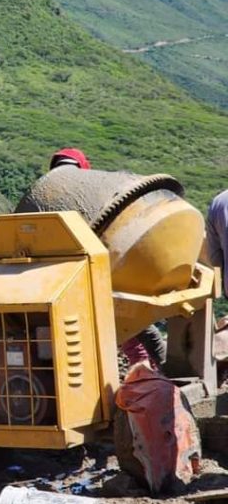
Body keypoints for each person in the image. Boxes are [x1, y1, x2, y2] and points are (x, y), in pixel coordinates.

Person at [49, 147, 166, 369]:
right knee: (139, 330)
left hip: (63, 281)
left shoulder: (46, 193)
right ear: (82, 166)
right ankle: (158, 373)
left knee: (121, 335)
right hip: (103, 273)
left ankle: (142, 373)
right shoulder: (92, 190)